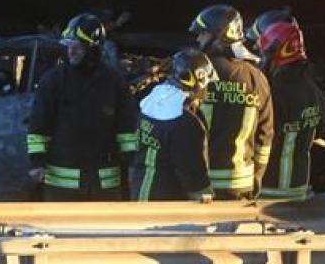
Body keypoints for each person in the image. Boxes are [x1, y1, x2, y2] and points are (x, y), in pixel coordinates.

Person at [27, 13, 139, 201]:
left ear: (93, 48)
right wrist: (36, 162)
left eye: (77, 47)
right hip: (61, 187)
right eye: (68, 46)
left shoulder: (113, 81)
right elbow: (39, 124)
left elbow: (127, 128)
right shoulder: (53, 80)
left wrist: (131, 163)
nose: (71, 52)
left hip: (104, 184)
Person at [188, 4, 274, 200]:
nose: (198, 39)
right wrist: (257, 178)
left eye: (203, 34)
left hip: (200, 186)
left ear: (219, 36)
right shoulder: (256, 78)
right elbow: (265, 136)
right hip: (241, 187)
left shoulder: (197, 75)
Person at [132, 48, 217, 202]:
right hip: (167, 202)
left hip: (140, 192)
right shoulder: (186, 121)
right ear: (200, 80)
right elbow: (193, 174)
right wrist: (206, 199)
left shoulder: (150, 102)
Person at [254, 15, 324, 200]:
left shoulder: (275, 92)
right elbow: (320, 131)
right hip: (299, 186)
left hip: (270, 186)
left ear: (276, 53)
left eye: (264, 54)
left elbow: (263, 135)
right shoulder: (314, 90)